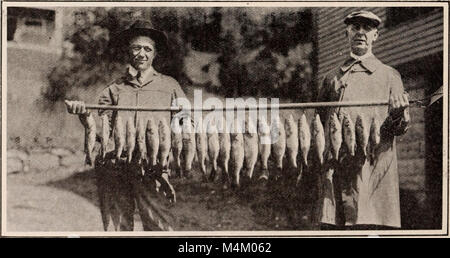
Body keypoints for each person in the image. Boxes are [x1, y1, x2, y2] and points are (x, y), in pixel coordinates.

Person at [65, 20, 189, 231]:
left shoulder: (170, 86)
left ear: (155, 54)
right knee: (117, 229)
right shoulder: (113, 90)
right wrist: (85, 116)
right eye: (136, 47)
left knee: (160, 228)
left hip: (152, 169)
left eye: (147, 49)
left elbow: (186, 123)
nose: (142, 54)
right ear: (128, 51)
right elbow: (101, 134)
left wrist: (183, 122)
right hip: (114, 168)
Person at [314, 11, 410, 230]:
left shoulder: (389, 75)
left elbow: (401, 127)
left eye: (367, 28)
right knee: (334, 227)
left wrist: (397, 114)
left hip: (372, 179)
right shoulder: (331, 78)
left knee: (366, 227)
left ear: (375, 35)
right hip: (336, 178)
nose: (360, 33)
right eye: (355, 27)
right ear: (346, 33)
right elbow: (319, 125)